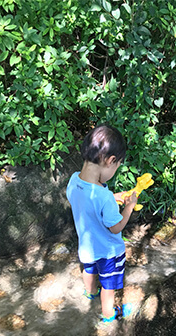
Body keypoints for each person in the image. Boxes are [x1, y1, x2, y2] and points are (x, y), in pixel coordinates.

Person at [66, 124, 137, 324]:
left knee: (88, 269)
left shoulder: (73, 181)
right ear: (110, 160)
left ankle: (89, 293)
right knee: (109, 285)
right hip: (108, 252)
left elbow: (85, 202)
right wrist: (129, 207)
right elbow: (115, 227)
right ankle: (108, 315)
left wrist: (112, 198)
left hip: (86, 249)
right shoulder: (103, 196)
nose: (115, 170)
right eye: (117, 166)